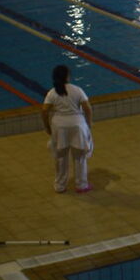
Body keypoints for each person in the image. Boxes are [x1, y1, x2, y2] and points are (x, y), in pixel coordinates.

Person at [41, 65, 93, 193]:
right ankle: (81, 185)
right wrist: (88, 124)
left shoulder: (52, 93)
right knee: (80, 157)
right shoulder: (77, 90)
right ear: (67, 76)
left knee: (60, 157)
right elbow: (87, 108)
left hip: (59, 126)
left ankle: (60, 186)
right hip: (77, 125)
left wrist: (47, 127)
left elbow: (44, 111)